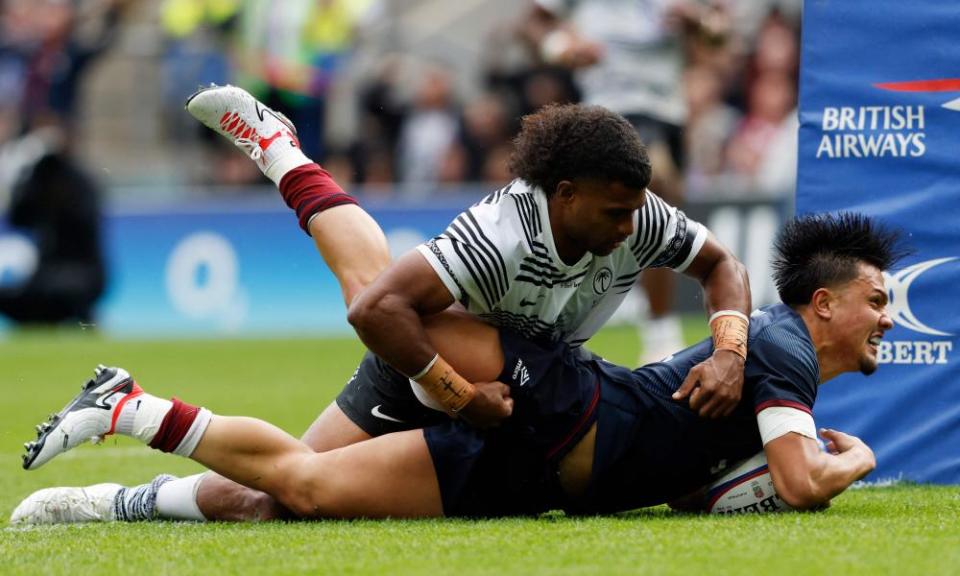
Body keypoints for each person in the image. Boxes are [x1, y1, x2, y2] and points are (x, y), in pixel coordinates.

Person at [81, 85, 749, 522]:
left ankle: (127, 499)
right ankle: (279, 152)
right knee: (367, 293)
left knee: (274, 503)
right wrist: (459, 395)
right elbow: (377, 314)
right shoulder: (501, 237)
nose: (633, 230)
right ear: (566, 194)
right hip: (418, 360)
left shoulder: (642, 216)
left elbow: (723, 266)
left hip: (510, 390)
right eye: (616, 213)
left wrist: (730, 350)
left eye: (637, 211)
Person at [13, 212, 902, 522]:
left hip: (530, 469)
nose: (887, 320)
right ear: (822, 304)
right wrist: (856, 457)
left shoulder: (767, 349)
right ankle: (288, 161)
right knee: (385, 302)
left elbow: (697, 484)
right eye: (875, 300)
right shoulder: (786, 348)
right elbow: (799, 479)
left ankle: (126, 416)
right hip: (562, 399)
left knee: (298, 494)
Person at [521, 0, 731, 363]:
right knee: (652, 182)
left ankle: (633, 316)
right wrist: (560, 46)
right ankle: (660, 333)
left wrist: (698, 20)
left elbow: (720, 34)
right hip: (608, 108)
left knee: (652, 218)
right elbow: (533, 23)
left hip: (667, 109)